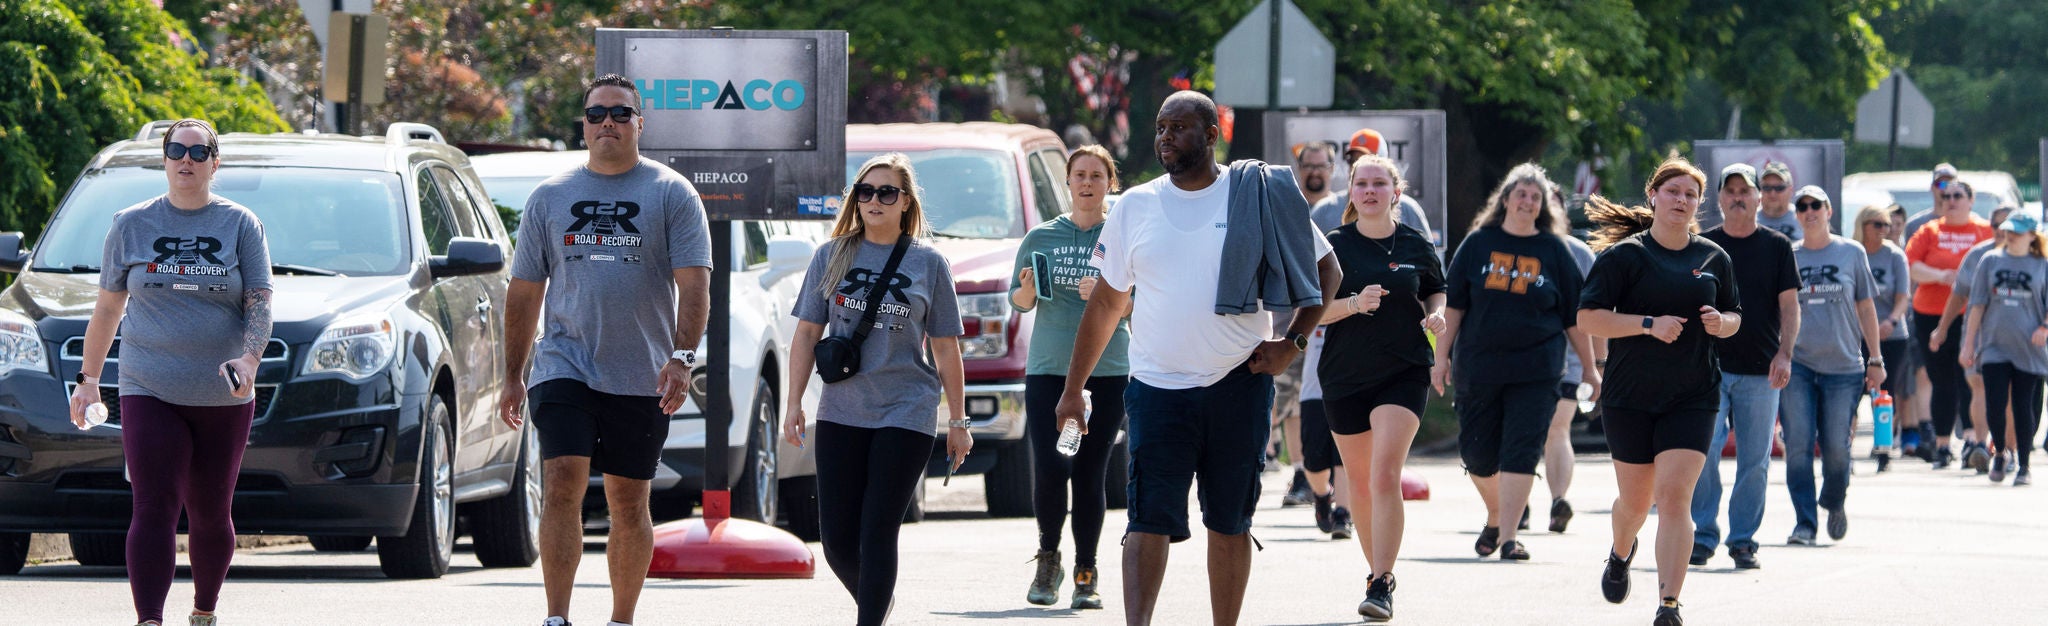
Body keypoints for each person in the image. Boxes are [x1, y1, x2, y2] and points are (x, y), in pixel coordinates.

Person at [1055, 90, 1338, 626]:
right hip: (1158, 387)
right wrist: (1074, 390)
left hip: (1238, 383)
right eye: (1161, 128)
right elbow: (1108, 304)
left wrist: (1291, 343)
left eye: (1180, 128)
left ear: (1211, 135)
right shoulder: (1134, 206)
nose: (1166, 138)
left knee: (1229, 521)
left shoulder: (1256, 192)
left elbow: (1329, 271)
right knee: (1146, 518)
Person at [500, 75, 712, 626]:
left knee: (627, 498)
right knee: (564, 477)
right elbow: (524, 292)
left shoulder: (671, 193)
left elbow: (694, 286)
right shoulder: (549, 198)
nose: (607, 124)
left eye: (620, 114)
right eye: (596, 115)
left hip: (642, 372)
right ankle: (556, 617)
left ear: (640, 123)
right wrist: (512, 374)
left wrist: (683, 358)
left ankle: (621, 619)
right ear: (584, 125)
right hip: (564, 363)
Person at [68, 118, 271, 626]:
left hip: (221, 393)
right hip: (147, 385)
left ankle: (204, 612)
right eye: (176, 150)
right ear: (164, 159)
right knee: (154, 504)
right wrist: (88, 380)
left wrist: (249, 359)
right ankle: (149, 620)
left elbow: (260, 301)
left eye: (198, 153)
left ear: (214, 164)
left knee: (209, 511)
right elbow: (109, 307)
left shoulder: (241, 224)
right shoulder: (131, 224)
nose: (186, 159)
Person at [782, 154, 971, 626]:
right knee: (837, 542)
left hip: (906, 410)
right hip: (842, 409)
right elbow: (806, 334)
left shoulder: (929, 263)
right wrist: (792, 405)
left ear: (905, 202)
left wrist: (959, 422)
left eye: (887, 192)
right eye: (865, 192)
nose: (874, 201)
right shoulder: (832, 254)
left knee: (878, 529)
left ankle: (869, 618)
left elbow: (946, 349)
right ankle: (877, 603)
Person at [1579, 156, 1742, 626]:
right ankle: (1619, 551)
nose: (1682, 201)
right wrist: (1647, 325)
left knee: (1674, 498)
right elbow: (1589, 318)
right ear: (1653, 196)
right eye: (1673, 191)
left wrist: (1722, 322)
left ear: (1698, 205)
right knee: (1636, 501)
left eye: (1690, 195)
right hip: (1629, 395)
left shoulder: (1714, 257)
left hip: (1693, 394)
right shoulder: (1626, 256)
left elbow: (1735, 317)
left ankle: (1669, 603)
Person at [1433, 163, 1593, 563]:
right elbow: (1454, 309)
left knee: (1521, 450)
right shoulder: (1477, 244)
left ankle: (1508, 538)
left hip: (1537, 371)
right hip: (1479, 368)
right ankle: (1496, 515)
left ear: (1543, 206)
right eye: (1520, 193)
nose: (1527, 201)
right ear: (1504, 199)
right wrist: (1440, 358)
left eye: (1535, 197)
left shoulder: (1554, 250)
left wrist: (1591, 367)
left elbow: (1575, 317)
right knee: (1478, 456)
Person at [1315, 153, 1445, 621]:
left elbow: (1434, 286)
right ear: (1350, 192)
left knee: (1386, 473)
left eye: (1379, 184)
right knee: (1363, 484)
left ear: (1396, 192)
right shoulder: (1333, 245)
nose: (1370, 191)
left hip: (1404, 368)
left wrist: (1437, 313)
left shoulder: (1414, 241)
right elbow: (1311, 312)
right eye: (1361, 184)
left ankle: (1382, 581)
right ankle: (1375, 572)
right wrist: (1352, 302)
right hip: (1345, 375)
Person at [1011, 145, 1129, 610]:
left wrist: (1111, 298)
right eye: (1079, 175)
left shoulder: (1121, 236)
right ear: (1067, 181)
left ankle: (1086, 570)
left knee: (1088, 470)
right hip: (1049, 369)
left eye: (1096, 176)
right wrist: (1023, 290)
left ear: (1109, 183)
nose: (1086, 183)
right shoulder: (1041, 236)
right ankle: (1047, 556)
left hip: (1108, 369)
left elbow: (1144, 302)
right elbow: (1019, 304)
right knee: (1052, 466)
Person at [1687, 163, 1798, 571]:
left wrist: (1785, 354)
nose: (1737, 197)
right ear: (1718, 199)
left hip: (1761, 370)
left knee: (1755, 460)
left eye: (1744, 191)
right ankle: (1702, 534)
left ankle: (1743, 540)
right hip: (1708, 369)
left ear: (1759, 198)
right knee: (1703, 453)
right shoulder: (1701, 245)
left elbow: (1790, 307)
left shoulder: (1777, 246)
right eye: (1729, 190)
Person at [1780, 186, 1886, 546]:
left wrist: (1875, 358)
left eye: (1816, 205)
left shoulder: (1851, 252)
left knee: (1837, 449)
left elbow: (1867, 308)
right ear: (1796, 214)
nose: (1809, 211)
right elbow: (1776, 311)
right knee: (1797, 445)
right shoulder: (1787, 254)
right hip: (1799, 365)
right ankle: (1804, 523)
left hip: (1844, 366)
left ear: (1828, 211)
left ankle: (1834, 499)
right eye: (1802, 206)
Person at [1906, 179, 1995, 470]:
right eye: (1946, 196)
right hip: (1930, 313)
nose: (1951, 200)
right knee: (1940, 379)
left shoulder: (1983, 230)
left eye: (1958, 195)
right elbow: (1912, 265)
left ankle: (1972, 439)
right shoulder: (1930, 230)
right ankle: (1943, 443)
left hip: (1971, 315)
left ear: (1971, 200)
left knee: (1969, 376)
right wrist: (1940, 274)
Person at [1960, 209, 2048, 486]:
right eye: (2008, 231)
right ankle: (1999, 451)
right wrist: (1968, 344)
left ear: (2032, 236)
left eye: (2018, 232)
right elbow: (1977, 305)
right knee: (1995, 404)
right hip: (1994, 345)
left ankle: (2024, 464)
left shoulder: (2042, 264)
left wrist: (2044, 327)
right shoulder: (1990, 260)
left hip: (2028, 348)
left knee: (2023, 406)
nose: (2010, 236)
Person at [1928, 209, 2007, 473]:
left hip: (2020, 337)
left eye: (2007, 225)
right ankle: (1981, 446)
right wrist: (1942, 329)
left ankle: (2007, 449)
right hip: (1981, 334)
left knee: (2009, 395)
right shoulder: (1978, 256)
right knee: (1979, 386)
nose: (2001, 231)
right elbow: (1959, 295)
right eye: (1996, 225)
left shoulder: (2036, 255)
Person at [1546, 222, 1601, 534]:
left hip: (1568, 358)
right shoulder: (1503, 246)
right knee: (1548, 431)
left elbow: (1597, 310)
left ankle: (1557, 501)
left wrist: (1596, 365)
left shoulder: (1579, 253)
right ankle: (1517, 503)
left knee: (1556, 428)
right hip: (1513, 361)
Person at [1857, 205, 1914, 470]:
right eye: (1877, 224)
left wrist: (1890, 320)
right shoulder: (1854, 252)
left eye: (1886, 225)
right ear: (1863, 225)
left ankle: (1883, 450)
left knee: (1885, 394)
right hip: (1857, 334)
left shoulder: (1895, 256)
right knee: (1853, 392)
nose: (1884, 230)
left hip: (1892, 335)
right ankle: (1843, 447)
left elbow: (1904, 297)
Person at [1310, 128, 1436, 246]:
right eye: (1352, 160)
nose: (1359, 166)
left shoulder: (1409, 210)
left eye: (1367, 159)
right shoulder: (1324, 211)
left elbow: (1430, 262)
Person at [1754, 162, 1802, 240]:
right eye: (1767, 187)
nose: (1772, 193)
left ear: (1791, 190)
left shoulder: (1805, 218)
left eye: (1779, 188)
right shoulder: (1749, 219)